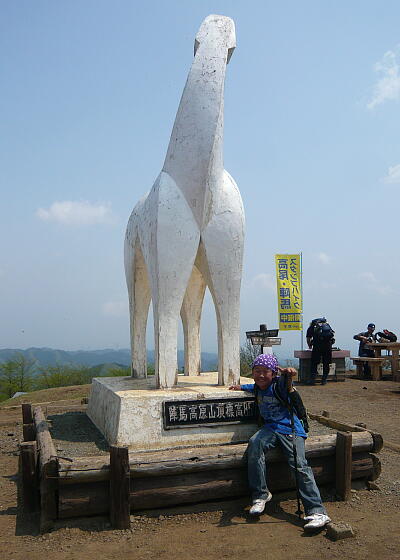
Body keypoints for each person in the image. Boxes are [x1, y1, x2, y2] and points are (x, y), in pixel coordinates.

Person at [229, 354, 331, 531]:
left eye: (265, 372)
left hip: (291, 429)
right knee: (255, 444)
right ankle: (260, 495)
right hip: (270, 429)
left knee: (299, 465)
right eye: (257, 371)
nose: (261, 375)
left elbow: (289, 380)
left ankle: (317, 511)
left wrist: (290, 373)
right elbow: (252, 386)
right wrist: (238, 387)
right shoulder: (258, 388)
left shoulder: (280, 385)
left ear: (274, 373)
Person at [306, 318, 335, 385]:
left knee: (314, 363)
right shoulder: (327, 325)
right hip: (328, 346)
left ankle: (312, 380)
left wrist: (310, 346)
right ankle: (324, 380)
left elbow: (308, 338)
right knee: (326, 363)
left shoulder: (312, 327)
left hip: (317, 346)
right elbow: (332, 335)